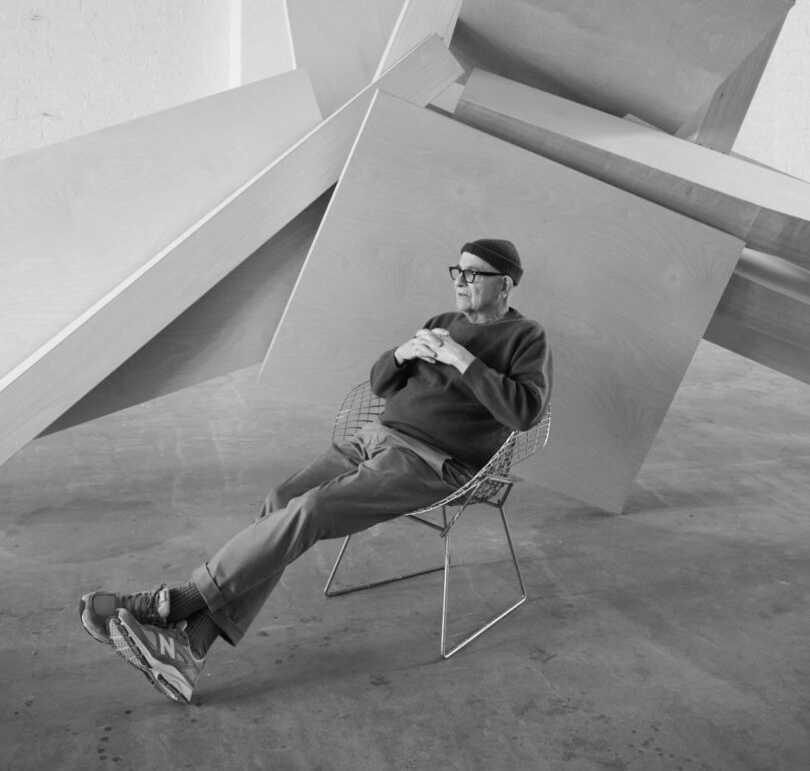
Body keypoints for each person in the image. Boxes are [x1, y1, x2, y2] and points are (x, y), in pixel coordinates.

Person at [79, 238, 552, 703]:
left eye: (474, 274)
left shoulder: (526, 337)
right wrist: (402, 354)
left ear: (504, 285)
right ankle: (188, 651)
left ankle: (175, 603)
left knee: (314, 509)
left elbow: (526, 412)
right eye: (458, 271)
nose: (461, 281)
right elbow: (382, 384)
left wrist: (462, 359)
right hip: (374, 436)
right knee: (280, 501)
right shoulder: (442, 322)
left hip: (432, 461)